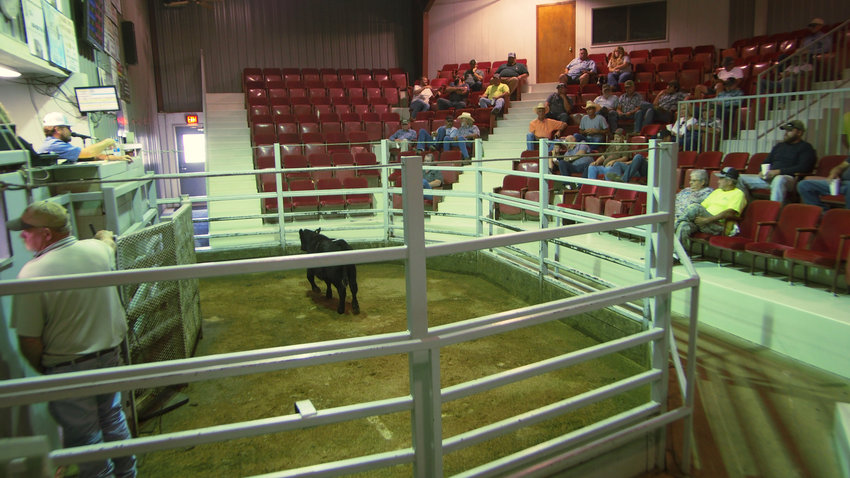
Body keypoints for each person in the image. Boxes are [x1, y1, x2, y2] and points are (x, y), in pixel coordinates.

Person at [9, 200, 137, 478]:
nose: (22, 235)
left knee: (84, 435)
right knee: (113, 418)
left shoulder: (31, 274)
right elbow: (107, 242)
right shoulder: (97, 251)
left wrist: (47, 369)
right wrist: (103, 234)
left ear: (46, 234)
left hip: (68, 365)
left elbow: (29, 340)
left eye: (27, 229)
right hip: (109, 355)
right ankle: (127, 473)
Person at [738, 120, 817, 204]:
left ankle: (774, 211)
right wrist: (762, 171)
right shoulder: (779, 146)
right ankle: (750, 205)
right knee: (739, 178)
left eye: (789, 131)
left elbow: (804, 167)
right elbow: (766, 162)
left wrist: (779, 172)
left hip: (789, 179)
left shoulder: (806, 147)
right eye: (786, 130)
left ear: (799, 133)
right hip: (770, 177)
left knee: (779, 179)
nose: (786, 133)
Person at [675, 167, 747, 247]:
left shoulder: (738, 194)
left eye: (721, 179)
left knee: (694, 207)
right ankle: (677, 255)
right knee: (684, 225)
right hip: (704, 223)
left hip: (718, 225)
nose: (718, 181)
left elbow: (730, 212)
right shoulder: (717, 191)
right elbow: (702, 207)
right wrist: (701, 219)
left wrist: (707, 220)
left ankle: (672, 227)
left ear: (729, 182)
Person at [38, 112, 132, 164]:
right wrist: (107, 141)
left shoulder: (58, 144)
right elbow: (88, 153)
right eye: (68, 128)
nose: (70, 131)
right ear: (58, 129)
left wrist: (118, 158)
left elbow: (90, 156)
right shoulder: (54, 145)